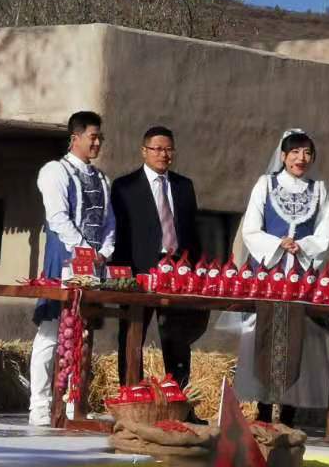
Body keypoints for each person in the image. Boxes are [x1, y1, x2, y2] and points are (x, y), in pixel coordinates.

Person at [234, 128, 329, 423]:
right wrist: (278, 244)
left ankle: (290, 410)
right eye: (294, 152)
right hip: (269, 273)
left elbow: (325, 233)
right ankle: (264, 409)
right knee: (264, 332)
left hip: (302, 275)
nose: (301, 158)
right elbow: (251, 229)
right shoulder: (265, 185)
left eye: (307, 153)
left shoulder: (319, 190)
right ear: (283, 156)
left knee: (301, 337)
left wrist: (302, 246)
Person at [27, 110, 115, 427]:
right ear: (75, 137)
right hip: (63, 260)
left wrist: (104, 251)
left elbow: (109, 221)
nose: (97, 143)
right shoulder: (55, 171)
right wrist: (84, 249)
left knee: (83, 333)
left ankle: (73, 403)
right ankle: (39, 404)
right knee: (52, 331)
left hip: (93, 266)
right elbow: (58, 217)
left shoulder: (102, 179)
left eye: (100, 137)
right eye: (93, 137)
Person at [111, 125, 209, 394]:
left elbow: (192, 233)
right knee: (132, 335)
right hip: (139, 271)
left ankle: (179, 398)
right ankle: (131, 395)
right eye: (157, 149)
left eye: (168, 149)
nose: (163, 154)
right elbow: (119, 234)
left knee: (177, 338)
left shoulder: (184, 186)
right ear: (144, 151)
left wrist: (197, 270)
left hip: (177, 271)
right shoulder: (125, 187)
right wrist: (121, 275)